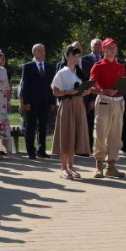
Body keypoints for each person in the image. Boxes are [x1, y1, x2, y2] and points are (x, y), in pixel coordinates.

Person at [89, 38, 126, 178]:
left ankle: (111, 166)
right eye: (110, 47)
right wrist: (103, 91)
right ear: (103, 50)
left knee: (116, 135)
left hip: (118, 102)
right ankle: (99, 165)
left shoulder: (121, 66)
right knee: (100, 133)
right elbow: (91, 87)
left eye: (114, 47)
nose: (113, 50)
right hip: (104, 102)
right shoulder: (98, 66)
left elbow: (123, 85)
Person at [51, 46, 91, 179]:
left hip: (79, 104)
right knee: (66, 135)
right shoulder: (61, 73)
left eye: (78, 56)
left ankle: (71, 166)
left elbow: (84, 87)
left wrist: (86, 90)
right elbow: (55, 91)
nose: (77, 58)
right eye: (74, 55)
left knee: (74, 135)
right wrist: (68, 92)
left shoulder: (79, 73)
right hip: (67, 104)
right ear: (67, 56)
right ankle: (63, 168)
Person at [18, 43, 55, 159]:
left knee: (43, 128)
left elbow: (52, 86)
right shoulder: (28, 66)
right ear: (33, 53)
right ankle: (31, 151)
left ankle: (41, 150)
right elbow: (25, 86)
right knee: (31, 127)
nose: (42, 53)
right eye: (39, 51)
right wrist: (26, 102)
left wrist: (52, 101)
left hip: (45, 102)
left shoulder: (50, 66)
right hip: (32, 104)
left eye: (43, 51)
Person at [81, 38, 104, 149]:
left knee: (103, 122)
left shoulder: (106, 59)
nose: (98, 46)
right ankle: (89, 145)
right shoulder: (84, 59)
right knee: (89, 122)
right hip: (90, 95)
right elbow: (87, 81)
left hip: (104, 95)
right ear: (91, 46)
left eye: (100, 45)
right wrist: (91, 98)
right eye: (95, 45)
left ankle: (102, 145)